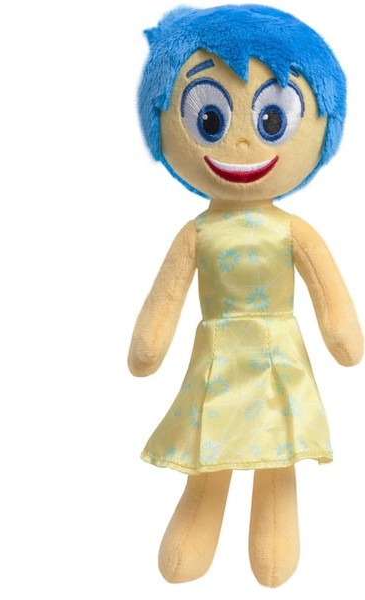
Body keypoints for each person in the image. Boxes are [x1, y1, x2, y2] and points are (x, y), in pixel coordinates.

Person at [128, 4, 363, 587]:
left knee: (276, 449)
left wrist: (340, 330)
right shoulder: (197, 234)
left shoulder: (293, 231)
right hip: (219, 354)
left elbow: (331, 301)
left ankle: (274, 533)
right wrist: (150, 343)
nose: (238, 141)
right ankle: (199, 524)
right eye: (208, 119)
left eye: (271, 120)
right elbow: (166, 299)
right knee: (212, 444)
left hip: (279, 353)